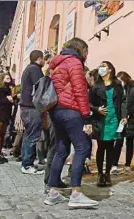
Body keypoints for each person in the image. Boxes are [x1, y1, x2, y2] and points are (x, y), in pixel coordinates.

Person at [44, 37, 98, 208]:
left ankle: (52, 192)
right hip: (71, 110)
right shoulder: (74, 62)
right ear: (80, 49)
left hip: (56, 110)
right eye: (86, 51)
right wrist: (87, 116)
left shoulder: (57, 63)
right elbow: (80, 91)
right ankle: (75, 193)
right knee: (82, 147)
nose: (87, 55)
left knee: (61, 149)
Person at [89, 61, 126, 187]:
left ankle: (108, 173)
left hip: (114, 119)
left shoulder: (117, 85)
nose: (101, 68)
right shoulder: (95, 87)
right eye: (100, 66)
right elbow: (89, 103)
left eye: (103, 66)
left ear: (110, 69)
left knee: (111, 147)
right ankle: (100, 174)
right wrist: (97, 109)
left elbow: (123, 101)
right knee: (101, 147)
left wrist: (124, 116)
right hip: (101, 120)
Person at [20, 50, 46, 174]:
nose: (44, 61)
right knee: (32, 136)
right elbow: (41, 87)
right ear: (39, 59)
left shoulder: (28, 68)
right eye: (43, 59)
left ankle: (26, 163)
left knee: (28, 135)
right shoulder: (35, 69)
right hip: (32, 108)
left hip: (27, 107)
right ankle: (27, 165)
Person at [113, 71, 134, 173]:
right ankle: (114, 164)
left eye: (121, 80)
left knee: (129, 141)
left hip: (131, 117)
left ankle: (127, 164)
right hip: (120, 118)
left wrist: (128, 115)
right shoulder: (117, 88)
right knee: (118, 141)